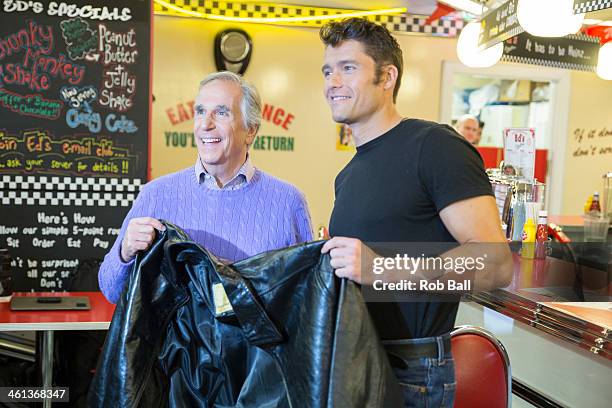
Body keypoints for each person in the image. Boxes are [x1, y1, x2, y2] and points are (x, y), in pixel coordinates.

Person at [318, 18, 512, 407]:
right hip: (356, 360)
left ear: (387, 77)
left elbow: (496, 263)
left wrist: (380, 269)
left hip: (413, 372)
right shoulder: (348, 174)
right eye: (328, 70)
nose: (332, 82)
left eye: (348, 68)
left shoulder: (435, 146)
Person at [99, 71, 313, 304]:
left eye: (221, 113)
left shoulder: (288, 202)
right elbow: (111, 291)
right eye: (200, 111)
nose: (205, 124)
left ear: (250, 130)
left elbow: (307, 300)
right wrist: (125, 252)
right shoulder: (155, 195)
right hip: (176, 342)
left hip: (255, 341)